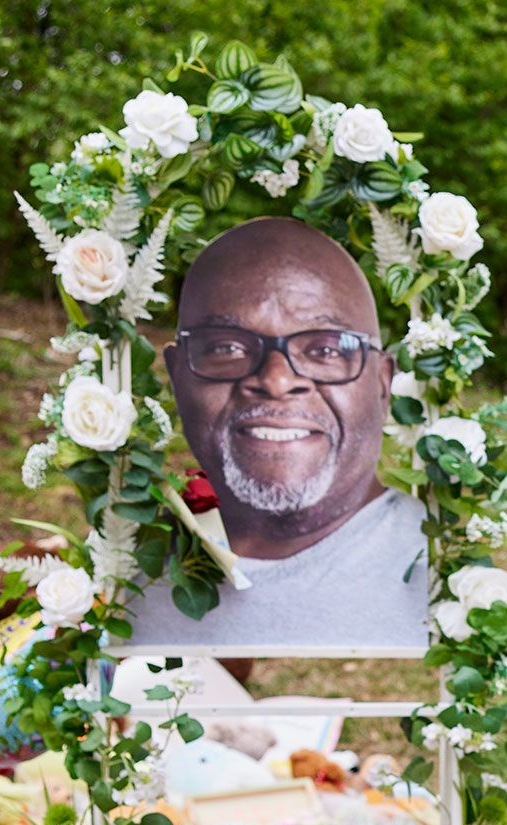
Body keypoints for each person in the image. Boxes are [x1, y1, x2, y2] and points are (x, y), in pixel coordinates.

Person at [126, 216, 430, 655]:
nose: (276, 380)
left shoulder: (446, 570)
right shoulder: (121, 564)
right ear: (177, 376)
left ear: (382, 384)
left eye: (325, 349)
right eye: (227, 347)